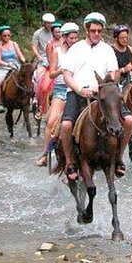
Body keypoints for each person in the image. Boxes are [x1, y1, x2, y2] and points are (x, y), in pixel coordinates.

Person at [59, 12, 132, 181]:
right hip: (78, 92)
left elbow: (113, 74)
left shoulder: (107, 50)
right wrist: (79, 89)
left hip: (103, 94)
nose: (96, 34)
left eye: (99, 31)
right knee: (65, 124)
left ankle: (118, 158)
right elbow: (66, 75)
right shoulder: (76, 49)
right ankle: (70, 161)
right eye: (93, 30)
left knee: (129, 121)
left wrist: (104, 84)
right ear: (87, 30)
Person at [36, 22, 79, 167]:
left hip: (77, 88)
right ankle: (45, 153)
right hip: (61, 88)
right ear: (65, 37)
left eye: (75, 38)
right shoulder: (57, 51)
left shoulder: (80, 51)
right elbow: (52, 73)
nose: (74, 41)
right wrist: (62, 70)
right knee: (51, 121)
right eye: (71, 38)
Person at [0, 25, 26, 113]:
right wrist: (7, 64)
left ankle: (31, 98)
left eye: (8, 35)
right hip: (3, 67)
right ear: (0, 36)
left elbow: (20, 55)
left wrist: (24, 62)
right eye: (5, 36)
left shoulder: (14, 44)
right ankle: (0, 102)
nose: (7, 37)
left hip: (16, 65)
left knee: (29, 77)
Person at [36, 21, 63, 118]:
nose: (58, 34)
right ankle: (41, 108)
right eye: (56, 32)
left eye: (60, 32)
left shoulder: (65, 42)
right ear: (52, 33)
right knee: (44, 87)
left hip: (65, 67)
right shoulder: (50, 44)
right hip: (52, 68)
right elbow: (49, 59)